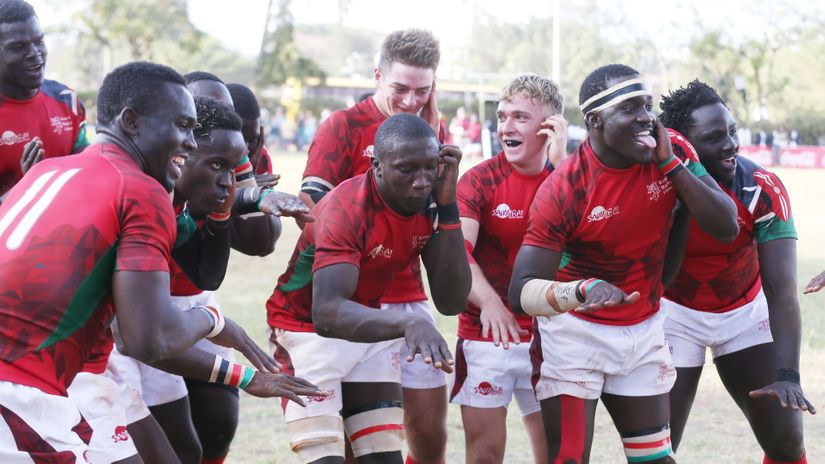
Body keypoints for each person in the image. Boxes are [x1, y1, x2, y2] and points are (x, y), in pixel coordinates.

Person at [0, 60, 302, 460]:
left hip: (58, 378)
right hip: (21, 391)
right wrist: (215, 322)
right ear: (131, 122)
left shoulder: (49, 170)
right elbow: (147, 339)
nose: (191, 141)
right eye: (181, 125)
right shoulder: (140, 191)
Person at [508, 64, 740, 464]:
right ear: (596, 120)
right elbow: (521, 291)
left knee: (654, 460)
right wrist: (579, 291)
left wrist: (671, 164)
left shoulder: (672, 150)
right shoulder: (564, 188)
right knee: (568, 459)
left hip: (643, 328)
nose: (646, 118)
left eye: (647, 105)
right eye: (630, 108)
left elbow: (726, 226)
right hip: (574, 335)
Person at [267, 113, 470, 464]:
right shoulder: (347, 209)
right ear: (377, 164)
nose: (422, 181)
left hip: (367, 326)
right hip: (305, 331)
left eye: (430, 167)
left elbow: (451, 301)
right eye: (407, 169)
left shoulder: (430, 201)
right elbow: (327, 313)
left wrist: (449, 206)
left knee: (382, 458)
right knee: (326, 458)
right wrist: (408, 323)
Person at [297, 29, 449, 464]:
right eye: (400, 88)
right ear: (378, 75)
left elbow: (437, 215)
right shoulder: (343, 126)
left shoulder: (432, 128)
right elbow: (311, 207)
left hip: (410, 297)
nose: (409, 100)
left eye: (422, 91)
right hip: (352, 298)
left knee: (428, 430)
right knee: (361, 439)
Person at [659, 80, 813, 464]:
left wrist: (788, 374)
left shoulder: (760, 188)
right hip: (674, 314)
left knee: (786, 440)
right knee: (657, 445)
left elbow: (781, 289)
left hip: (744, 312)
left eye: (731, 131)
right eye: (714, 137)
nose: (730, 144)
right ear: (683, 143)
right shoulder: (654, 187)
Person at [451, 73, 567, 463]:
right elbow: (457, 253)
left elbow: (587, 248)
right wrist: (489, 302)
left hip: (552, 337)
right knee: (484, 455)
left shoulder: (571, 178)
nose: (506, 127)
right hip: (488, 334)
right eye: (502, 117)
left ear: (550, 127)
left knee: (559, 453)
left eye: (520, 117)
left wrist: (562, 165)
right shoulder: (479, 180)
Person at [0, 0, 88, 200]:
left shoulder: (67, 100)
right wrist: (27, 187)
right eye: (18, 47)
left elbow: (86, 167)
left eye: (39, 41)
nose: (34, 53)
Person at [227, 82, 279, 187]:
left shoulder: (262, 156)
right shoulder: (207, 154)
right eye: (239, 140)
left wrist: (251, 174)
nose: (246, 149)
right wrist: (244, 187)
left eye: (252, 140)